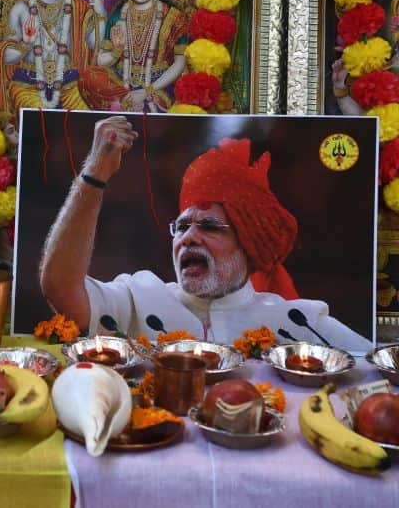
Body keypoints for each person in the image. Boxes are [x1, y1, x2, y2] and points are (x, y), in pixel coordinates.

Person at [39, 115, 373, 353]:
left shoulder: (296, 321)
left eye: (210, 226)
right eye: (182, 226)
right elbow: (61, 288)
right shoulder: (138, 297)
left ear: (248, 245)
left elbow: (376, 368)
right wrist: (94, 175)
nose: (189, 237)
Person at [101, 0, 189, 112]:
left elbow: (179, 65)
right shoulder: (118, 16)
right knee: (89, 78)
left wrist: (147, 90)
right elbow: (101, 61)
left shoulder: (174, 18)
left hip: (158, 85)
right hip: (121, 82)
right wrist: (116, 51)